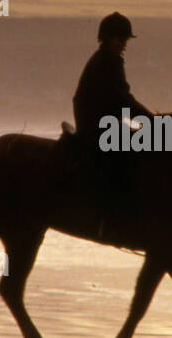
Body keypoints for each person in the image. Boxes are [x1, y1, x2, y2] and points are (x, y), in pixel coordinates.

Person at [60, 12, 154, 218]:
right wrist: (150, 120)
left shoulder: (107, 59)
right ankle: (114, 208)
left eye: (125, 40)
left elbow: (122, 101)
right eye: (120, 39)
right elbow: (121, 100)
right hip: (96, 125)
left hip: (102, 121)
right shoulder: (107, 61)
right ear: (109, 38)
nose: (124, 44)